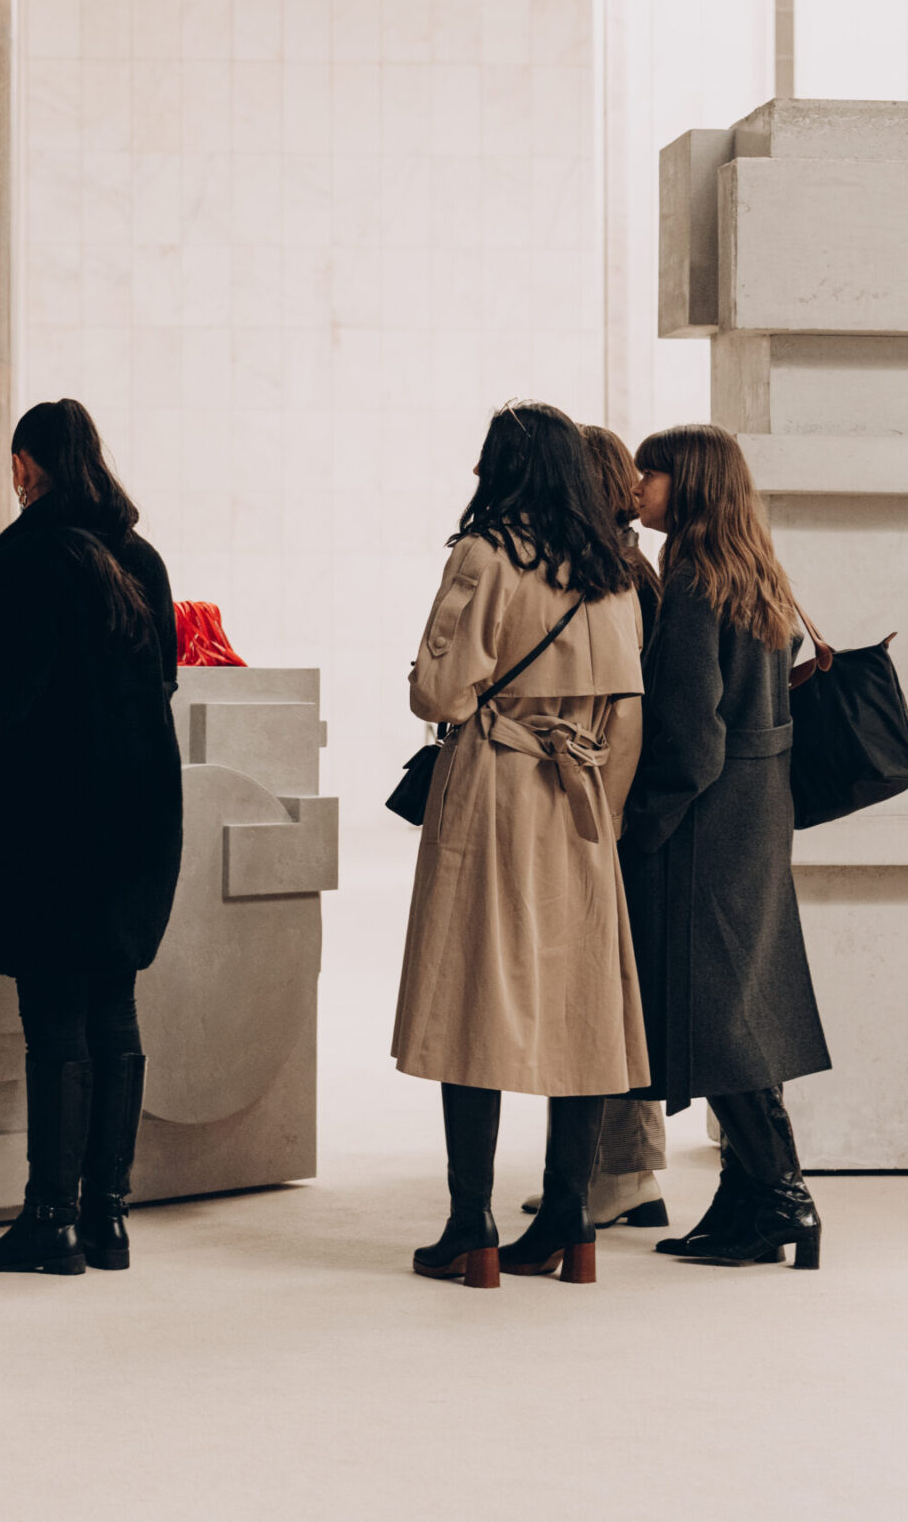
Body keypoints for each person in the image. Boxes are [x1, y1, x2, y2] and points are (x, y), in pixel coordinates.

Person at [0, 399, 182, 1277]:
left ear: (23, 466)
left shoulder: (31, 559)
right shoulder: (140, 557)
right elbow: (163, 680)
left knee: (55, 1012)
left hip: (57, 818)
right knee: (114, 1006)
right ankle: (108, 1219)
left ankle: (49, 1221)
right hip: (140, 808)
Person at [395, 402, 649, 1290]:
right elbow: (629, 717)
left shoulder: (484, 554)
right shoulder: (614, 571)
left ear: (503, 468)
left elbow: (438, 695)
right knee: (583, 1006)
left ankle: (472, 1226)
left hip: (495, 794)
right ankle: (571, 1220)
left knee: (475, 996)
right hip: (583, 804)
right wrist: (602, 815)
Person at [623, 423, 829, 1270]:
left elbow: (691, 739)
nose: (637, 485)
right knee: (741, 1005)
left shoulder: (693, 581)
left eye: (652, 472)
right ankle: (746, 1194)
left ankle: (783, 1197)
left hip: (705, 827)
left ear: (692, 483)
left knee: (718, 1015)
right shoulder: (755, 571)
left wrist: (642, 825)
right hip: (756, 814)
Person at [517, 425, 671, 1231]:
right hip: (614, 804)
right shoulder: (621, 569)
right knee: (601, 991)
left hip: (612, 808)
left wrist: (610, 811)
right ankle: (604, 1172)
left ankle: (623, 1171)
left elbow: (631, 706)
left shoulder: (619, 575)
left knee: (606, 994)